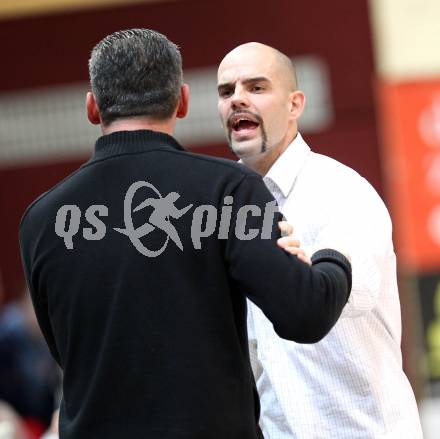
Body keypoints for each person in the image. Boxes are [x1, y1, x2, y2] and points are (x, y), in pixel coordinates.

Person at [19, 29, 352, 439]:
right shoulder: (228, 190)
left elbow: (63, 347)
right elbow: (305, 314)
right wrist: (334, 257)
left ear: (92, 107)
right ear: (182, 101)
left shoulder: (42, 219)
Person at [217, 42, 423, 439]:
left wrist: (295, 272)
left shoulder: (342, 192)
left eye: (256, 88)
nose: (238, 99)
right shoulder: (222, 212)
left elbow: (343, 292)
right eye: (227, 92)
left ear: (295, 105)